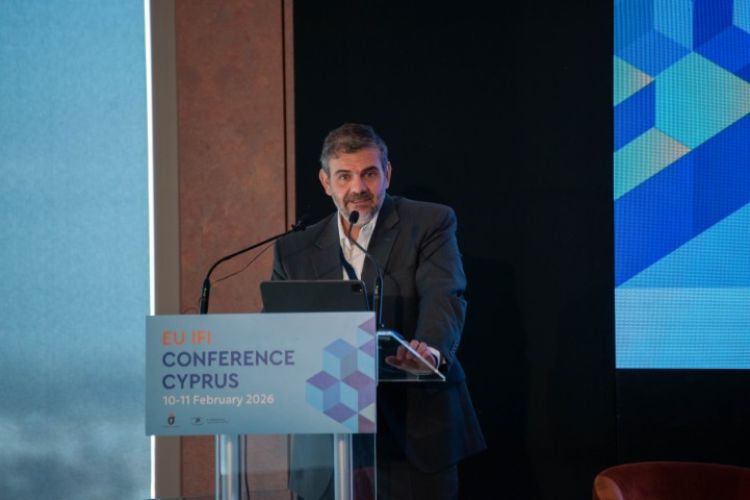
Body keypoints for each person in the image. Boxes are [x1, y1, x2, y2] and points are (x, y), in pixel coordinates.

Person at [272, 123, 486, 500]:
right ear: (325, 182)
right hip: (326, 438)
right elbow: (277, 329)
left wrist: (431, 349)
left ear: (387, 173)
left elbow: (444, 293)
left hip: (411, 432)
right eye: (344, 176)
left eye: (369, 173)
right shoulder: (294, 250)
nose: (358, 188)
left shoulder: (428, 223)